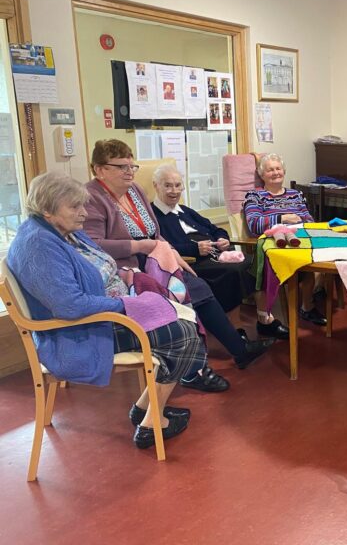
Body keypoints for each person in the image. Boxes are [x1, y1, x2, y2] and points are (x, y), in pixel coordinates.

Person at [8, 173, 206, 448]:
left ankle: (144, 407)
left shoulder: (61, 232)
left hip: (99, 317)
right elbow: (70, 305)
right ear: (47, 209)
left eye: (82, 205)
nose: (83, 213)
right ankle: (150, 424)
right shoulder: (38, 245)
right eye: (75, 207)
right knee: (183, 334)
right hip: (78, 334)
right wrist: (127, 304)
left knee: (183, 313)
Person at [83, 139, 272, 393]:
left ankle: (237, 352)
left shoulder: (135, 190)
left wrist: (172, 253)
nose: (129, 172)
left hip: (155, 258)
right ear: (99, 169)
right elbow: (94, 245)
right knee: (183, 300)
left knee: (198, 287)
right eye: (121, 167)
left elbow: (154, 231)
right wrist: (139, 247)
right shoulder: (91, 198)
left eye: (132, 166)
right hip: (124, 270)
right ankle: (193, 370)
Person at [151, 164, 259, 314]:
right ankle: (233, 327)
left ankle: (264, 318)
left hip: (217, 254)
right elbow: (160, 246)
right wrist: (195, 249)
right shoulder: (152, 216)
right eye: (168, 186)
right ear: (156, 186)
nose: (174, 191)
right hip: (193, 262)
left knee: (257, 263)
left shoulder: (185, 211)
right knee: (234, 271)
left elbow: (216, 229)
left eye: (177, 185)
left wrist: (222, 238)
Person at [243, 153, 326, 331]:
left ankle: (307, 307)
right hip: (272, 243)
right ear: (262, 174)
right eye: (270, 170)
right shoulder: (253, 196)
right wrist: (282, 218)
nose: (275, 173)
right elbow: (254, 224)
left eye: (278, 168)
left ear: (284, 171)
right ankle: (265, 318)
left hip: (298, 239)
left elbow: (309, 220)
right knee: (266, 262)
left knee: (314, 255)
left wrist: (297, 221)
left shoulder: (296, 194)